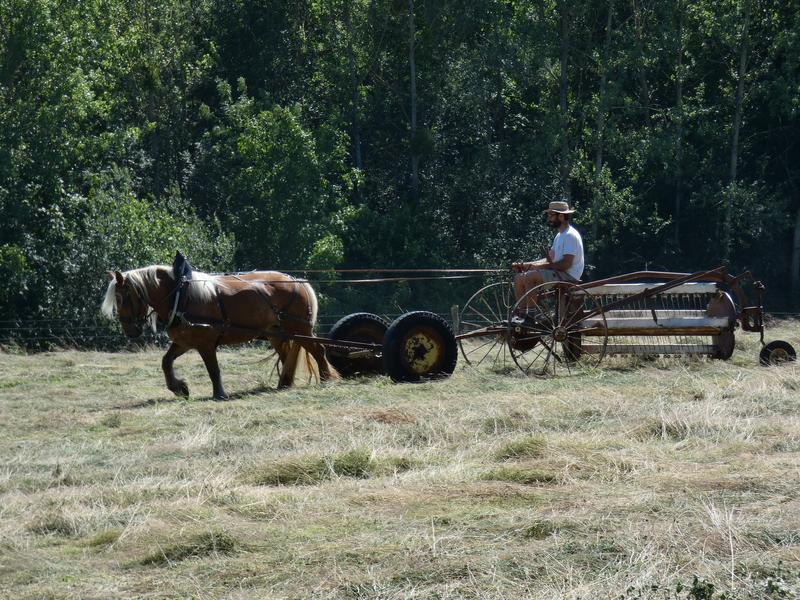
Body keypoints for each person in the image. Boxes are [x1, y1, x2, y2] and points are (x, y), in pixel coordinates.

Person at [512, 199, 584, 304]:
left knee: (530, 277)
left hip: (568, 276)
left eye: (551, 215)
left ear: (561, 216)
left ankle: (530, 315)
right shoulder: (559, 236)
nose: (548, 218)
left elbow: (566, 264)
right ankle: (521, 314)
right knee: (519, 278)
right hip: (558, 273)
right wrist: (526, 265)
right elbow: (549, 258)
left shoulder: (570, 235)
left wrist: (538, 267)